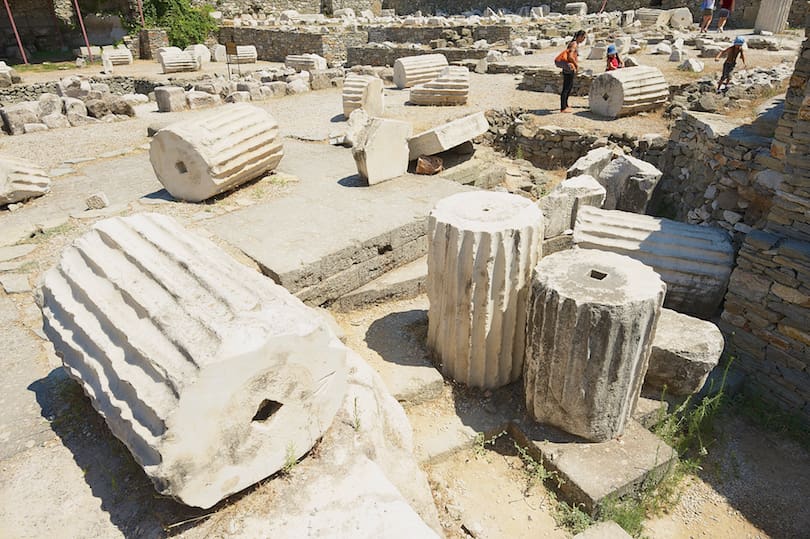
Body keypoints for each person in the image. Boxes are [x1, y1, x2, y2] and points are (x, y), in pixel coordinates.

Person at [555, 30, 586, 113]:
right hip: (569, 67)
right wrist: (576, 65)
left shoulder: (573, 43)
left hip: (568, 67)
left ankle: (565, 105)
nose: (584, 39)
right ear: (580, 36)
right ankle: (563, 107)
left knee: (569, 86)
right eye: (583, 37)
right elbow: (570, 57)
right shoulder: (574, 44)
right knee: (567, 87)